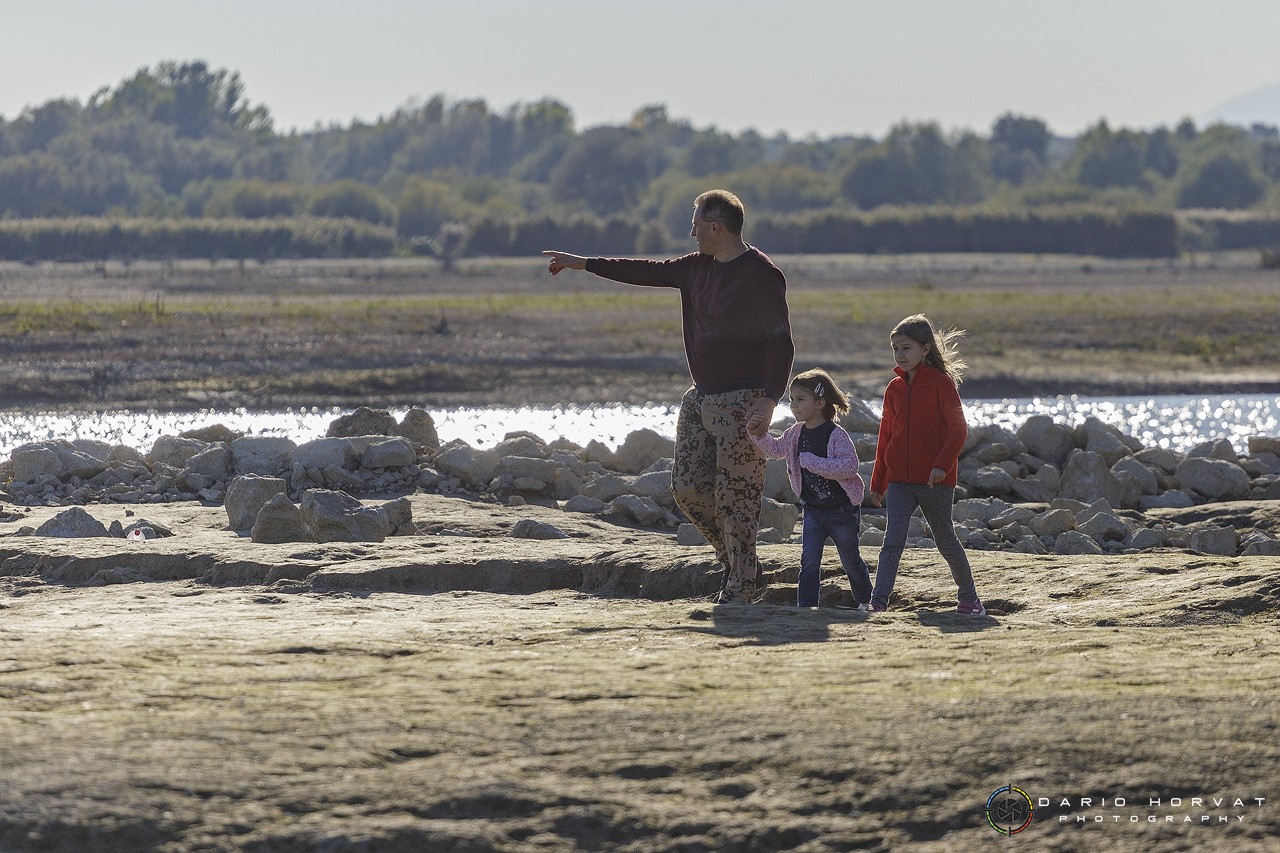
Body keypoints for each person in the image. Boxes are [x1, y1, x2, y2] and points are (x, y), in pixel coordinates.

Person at [543, 190, 794, 604]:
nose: (691, 231)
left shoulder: (762, 274)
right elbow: (643, 270)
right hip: (700, 397)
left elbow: (782, 343)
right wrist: (584, 264)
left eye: (696, 223)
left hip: (744, 403)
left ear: (716, 228)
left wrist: (769, 399)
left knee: (737, 500)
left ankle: (741, 588)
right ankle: (737, 562)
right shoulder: (695, 268)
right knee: (688, 489)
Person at [867, 314, 986, 616]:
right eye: (895, 348)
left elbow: (958, 430)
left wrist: (941, 466)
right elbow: (886, 438)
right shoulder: (893, 388)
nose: (899, 354)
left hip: (935, 481)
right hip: (899, 482)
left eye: (906, 348)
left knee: (945, 541)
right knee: (891, 543)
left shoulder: (942, 384)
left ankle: (970, 600)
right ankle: (878, 602)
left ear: (925, 349)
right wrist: (878, 482)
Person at [746, 368, 871, 609]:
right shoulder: (795, 433)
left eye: (800, 399)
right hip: (812, 510)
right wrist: (756, 433)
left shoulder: (836, 435)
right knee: (810, 561)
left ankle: (866, 601)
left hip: (841, 511)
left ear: (820, 403)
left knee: (850, 560)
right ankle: (806, 606)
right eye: (791, 399)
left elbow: (849, 467)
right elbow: (774, 450)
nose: (793, 405)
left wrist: (813, 462)